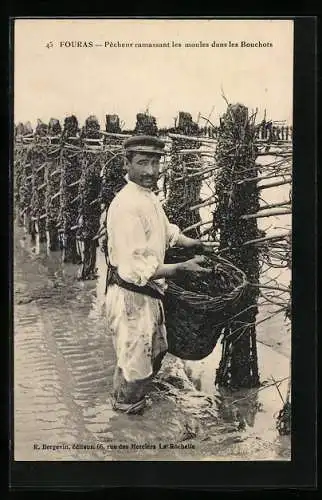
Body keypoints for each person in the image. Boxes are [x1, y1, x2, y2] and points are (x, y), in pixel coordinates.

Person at [105, 135, 212, 414]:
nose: (151, 171)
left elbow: (164, 230)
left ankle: (130, 411)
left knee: (148, 356)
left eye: (155, 162)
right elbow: (132, 266)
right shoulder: (126, 205)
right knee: (135, 367)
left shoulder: (147, 197)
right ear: (126, 163)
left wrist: (189, 242)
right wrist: (179, 268)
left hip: (149, 292)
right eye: (142, 162)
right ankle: (126, 428)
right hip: (131, 296)